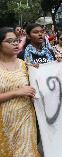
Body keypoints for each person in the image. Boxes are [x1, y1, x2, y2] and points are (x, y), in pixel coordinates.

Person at [0, 27, 40, 157]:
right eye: (10, 41)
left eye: (16, 40)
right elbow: (20, 91)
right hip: (4, 123)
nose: (16, 43)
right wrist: (17, 92)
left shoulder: (24, 65)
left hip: (26, 120)